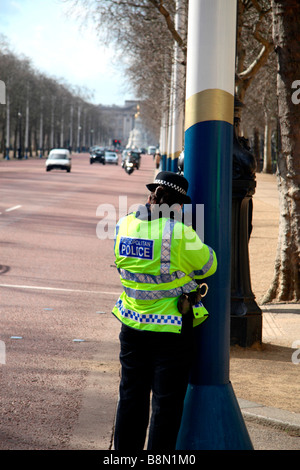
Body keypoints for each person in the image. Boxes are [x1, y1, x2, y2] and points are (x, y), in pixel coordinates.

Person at [112, 171, 217, 451]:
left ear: (152, 196)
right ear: (178, 205)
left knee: (130, 398)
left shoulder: (124, 224)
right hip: (171, 330)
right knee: (166, 405)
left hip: (131, 324)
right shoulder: (180, 233)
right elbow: (209, 265)